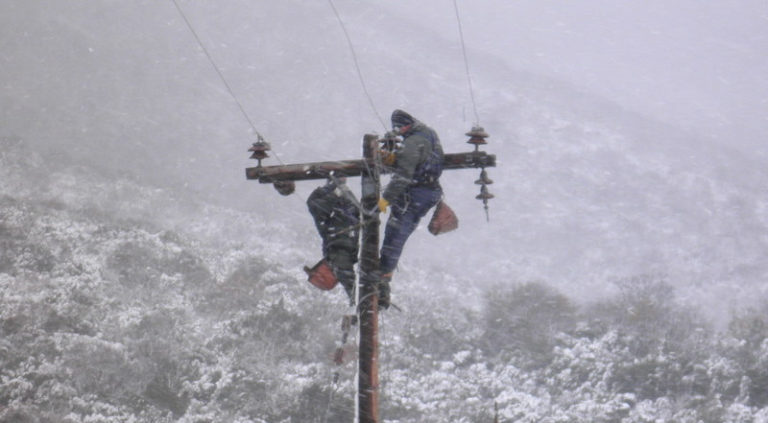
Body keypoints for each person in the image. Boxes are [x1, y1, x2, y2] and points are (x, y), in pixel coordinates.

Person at [377, 109, 444, 308]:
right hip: (429, 191)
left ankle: (382, 281)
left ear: (405, 125)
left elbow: (403, 176)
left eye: (399, 128)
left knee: (395, 234)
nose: (398, 131)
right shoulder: (428, 133)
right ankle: (383, 278)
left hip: (416, 193)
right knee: (400, 233)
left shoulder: (412, 143)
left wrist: (385, 200)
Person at [307, 176, 360, 304]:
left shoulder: (335, 256)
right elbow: (350, 284)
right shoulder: (339, 259)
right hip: (340, 229)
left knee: (315, 206)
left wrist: (332, 188)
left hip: (339, 228)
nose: (318, 269)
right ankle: (335, 184)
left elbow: (315, 207)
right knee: (315, 206)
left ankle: (334, 183)